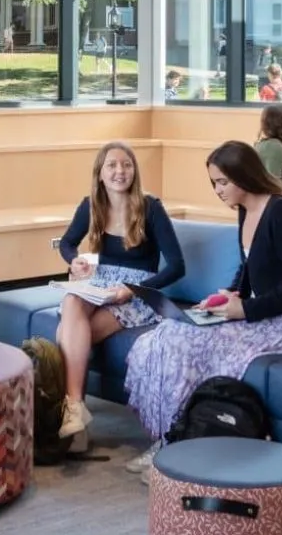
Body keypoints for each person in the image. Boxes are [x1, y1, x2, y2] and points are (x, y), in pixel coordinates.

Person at [121, 142, 282, 473]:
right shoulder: (245, 210)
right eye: (214, 183)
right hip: (253, 314)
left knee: (190, 344)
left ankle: (172, 446)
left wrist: (245, 309)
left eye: (223, 182)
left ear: (244, 175)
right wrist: (228, 294)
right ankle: (168, 437)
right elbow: (249, 267)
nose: (218, 190)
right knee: (167, 333)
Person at [51, 142, 185, 443]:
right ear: (100, 173)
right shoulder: (91, 205)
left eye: (126, 165)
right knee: (73, 300)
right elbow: (67, 243)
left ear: (134, 171)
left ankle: (76, 423)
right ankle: (75, 409)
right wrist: (75, 261)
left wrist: (133, 289)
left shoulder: (151, 207)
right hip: (100, 282)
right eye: (111, 165)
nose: (119, 171)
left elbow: (177, 266)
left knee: (66, 333)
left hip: (136, 292)